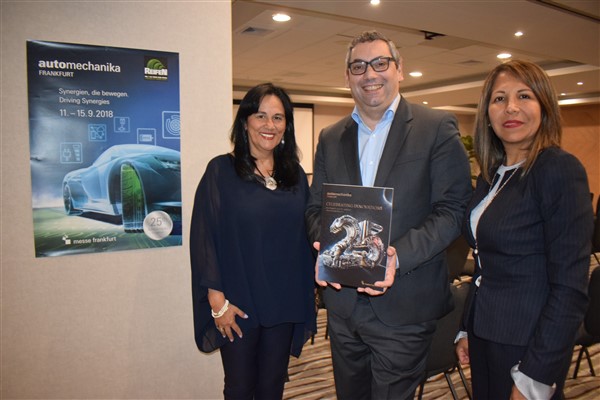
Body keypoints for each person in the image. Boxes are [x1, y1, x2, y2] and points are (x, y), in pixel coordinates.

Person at [305, 31, 472, 400]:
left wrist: (396, 257)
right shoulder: (330, 137)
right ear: (347, 76)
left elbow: (453, 210)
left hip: (405, 306)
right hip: (343, 306)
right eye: (358, 66)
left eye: (380, 63)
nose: (370, 74)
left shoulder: (435, 127)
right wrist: (326, 243)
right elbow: (316, 208)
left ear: (400, 70)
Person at [454, 60, 594, 400]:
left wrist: (536, 374)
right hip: (485, 333)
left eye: (524, 96)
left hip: (529, 342)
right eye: (499, 98)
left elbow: (570, 288)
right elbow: (485, 263)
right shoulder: (492, 175)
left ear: (544, 106)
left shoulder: (558, 169)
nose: (511, 107)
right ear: (487, 112)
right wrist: (467, 327)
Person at [189, 83, 316, 399]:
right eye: (261, 115)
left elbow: (308, 230)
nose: (269, 125)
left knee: (272, 386)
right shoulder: (221, 170)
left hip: (284, 300)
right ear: (245, 121)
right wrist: (217, 302)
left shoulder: (295, 175)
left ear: (286, 126)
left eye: (278, 117)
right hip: (239, 302)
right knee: (240, 388)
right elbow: (204, 237)